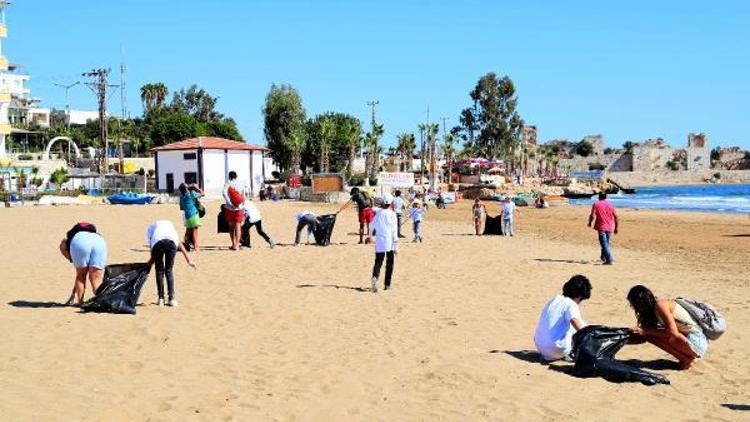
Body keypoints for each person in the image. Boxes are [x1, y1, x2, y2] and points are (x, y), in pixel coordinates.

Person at [626, 285, 707, 370]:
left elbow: (673, 332)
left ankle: (686, 360)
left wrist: (645, 331)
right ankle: (688, 358)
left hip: (697, 341)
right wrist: (622, 339)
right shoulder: (652, 310)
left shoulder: (661, 305)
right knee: (650, 334)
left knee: (653, 334)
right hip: (689, 339)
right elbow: (643, 338)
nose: (632, 307)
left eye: (633, 304)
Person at [533, 275, 592, 361]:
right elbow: (576, 324)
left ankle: (550, 353)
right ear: (579, 296)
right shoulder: (571, 304)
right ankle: (567, 354)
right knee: (582, 326)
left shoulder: (554, 300)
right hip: (557, 350)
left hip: (540, 345)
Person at [146, 220, 195, 307]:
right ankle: (171, 299)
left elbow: (152, 246)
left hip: (158, 243)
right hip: (171, 244)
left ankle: (161, 299)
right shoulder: (171, 229)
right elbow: (180, 244)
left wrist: (149, 263)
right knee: (169, 270)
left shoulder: (151, 228)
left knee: (159, 270)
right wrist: (189, 260)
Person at [59, 222, 107, 306]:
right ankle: (101, 300)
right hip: (99, 241)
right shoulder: (94, 234)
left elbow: (63, 247)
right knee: (96, 278)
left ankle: (80, 303)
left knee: (81, 276)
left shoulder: (69, 240)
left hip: (80, 243)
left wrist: (72, 260)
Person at [369, 194, 399, 292]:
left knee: (378, 262)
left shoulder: (378, 213)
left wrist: (370, 236)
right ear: (390, 203)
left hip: (379, 241)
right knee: (390, 263)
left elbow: (371, 225)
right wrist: (396, 245)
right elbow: (394, 231)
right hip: (389, 242)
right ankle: (387, 285)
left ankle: (375, 277)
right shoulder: (392, 214)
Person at [588, 192, 618, 265]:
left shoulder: (596, 204)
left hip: (601, 227)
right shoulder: (610, 205)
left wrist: (590, 222)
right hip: (609, 227)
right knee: (606, 243)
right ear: (606, 197)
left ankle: (609, 259)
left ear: (599, 197)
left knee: (604, 244)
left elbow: (592, 215)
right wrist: (616, 227)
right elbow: (616, 217)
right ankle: (603, 256)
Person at [223, 171, 246, 251]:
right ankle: (237, 245)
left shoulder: (227, 184)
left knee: (231, 227)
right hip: (239, 208)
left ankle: (233, 243)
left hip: (229, 208)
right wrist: (242, 205)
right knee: (238, 227)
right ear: (236, 177)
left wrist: (230, 203)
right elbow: (243, 195)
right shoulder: (240, 184)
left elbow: (224, 194)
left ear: (229, 177)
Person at [178, 183, 204, 252]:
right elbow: (202, 194)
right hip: (194, 215)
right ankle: (196, 248)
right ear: (186, 188)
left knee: (187, 232)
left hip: (187, 216)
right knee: (195, 232)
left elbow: (181, 208)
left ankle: (187, 247)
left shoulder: (181, 197)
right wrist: (198, 189)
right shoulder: (191, 194)